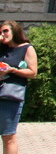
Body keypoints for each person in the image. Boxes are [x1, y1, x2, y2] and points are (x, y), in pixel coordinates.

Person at [0, 21, 36, 154]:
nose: (3, 35)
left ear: (14, 31)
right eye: (0, 32)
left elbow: (33, 72)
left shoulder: (26, 48)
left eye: (5, 31)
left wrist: (12, 70)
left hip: (11, 96)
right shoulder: (2, 48)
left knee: (8, 135)